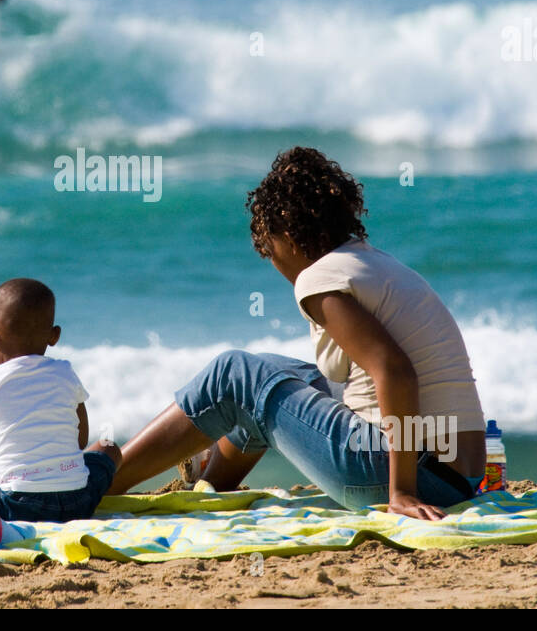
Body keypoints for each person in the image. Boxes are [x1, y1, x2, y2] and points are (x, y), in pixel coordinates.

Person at [108, 147, 487, 521]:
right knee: (274, 370)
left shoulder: (318, 277)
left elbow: (396, 371)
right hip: (458, 477)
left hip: (407, 473)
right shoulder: (376, 264)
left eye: (268, 250)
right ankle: (207, 489)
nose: (274, 264)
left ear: (287, 235)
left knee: (235, 372)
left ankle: (102, 481)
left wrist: (400, 492)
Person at [0, 278, 122, 523]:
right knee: (108, 446)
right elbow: (80, 440)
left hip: (14, 506)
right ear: (54, 335)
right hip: (78, 503)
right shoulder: (66, 372)